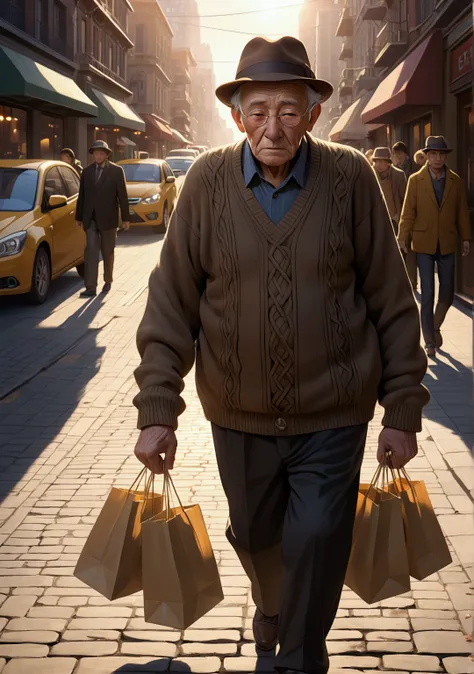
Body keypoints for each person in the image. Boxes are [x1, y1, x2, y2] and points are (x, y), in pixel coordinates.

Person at [133, 36, 429, 674]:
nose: (273, 126)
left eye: (289, 110)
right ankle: (272, 605)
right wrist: (158, 404)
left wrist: (402, 405)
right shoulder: (207, 181)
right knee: (257, 536)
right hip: (238, 418)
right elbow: (170, 302)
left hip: (335, 413)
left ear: (314, 114)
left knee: (318, 536)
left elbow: (391, 295)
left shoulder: (349, 177)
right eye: (258, 110)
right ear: (238, 114)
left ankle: (295, 657)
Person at [399, 136, 471, 359]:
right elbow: (408, 211)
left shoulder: (455, 181)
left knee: (447, 293)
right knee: (428, 292)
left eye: (441, 154)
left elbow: (461, 211)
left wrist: (466, 237)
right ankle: (429, 341)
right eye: (433, 154)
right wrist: (402, 238)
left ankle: (434, 326)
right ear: (427, 156)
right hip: (423, 242)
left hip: (448, 241)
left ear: (445, 156)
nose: (437, 158)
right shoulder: (415, 180)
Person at [75, 140, 130, 298]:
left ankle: (108, 280)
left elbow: (123, 196)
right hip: (90, 219)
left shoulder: (116, 171)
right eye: (96, 153)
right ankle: (91, 287)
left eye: (101, 153)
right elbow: (82, 196)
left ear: (106, 155)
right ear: (93, 155)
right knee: (91, 252)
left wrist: (126, 219)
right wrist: (79, 217)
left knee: (107, 252)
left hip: (109, 219)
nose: (98, 156)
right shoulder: (86, 172)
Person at [371, 147, 407, 234]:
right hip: (376, 217)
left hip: (395, 217)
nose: (378, 164)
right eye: (376, 161)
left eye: (382, 161)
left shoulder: (399, 175)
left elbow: (405, 198)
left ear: (388, 163)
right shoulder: (370, 175)